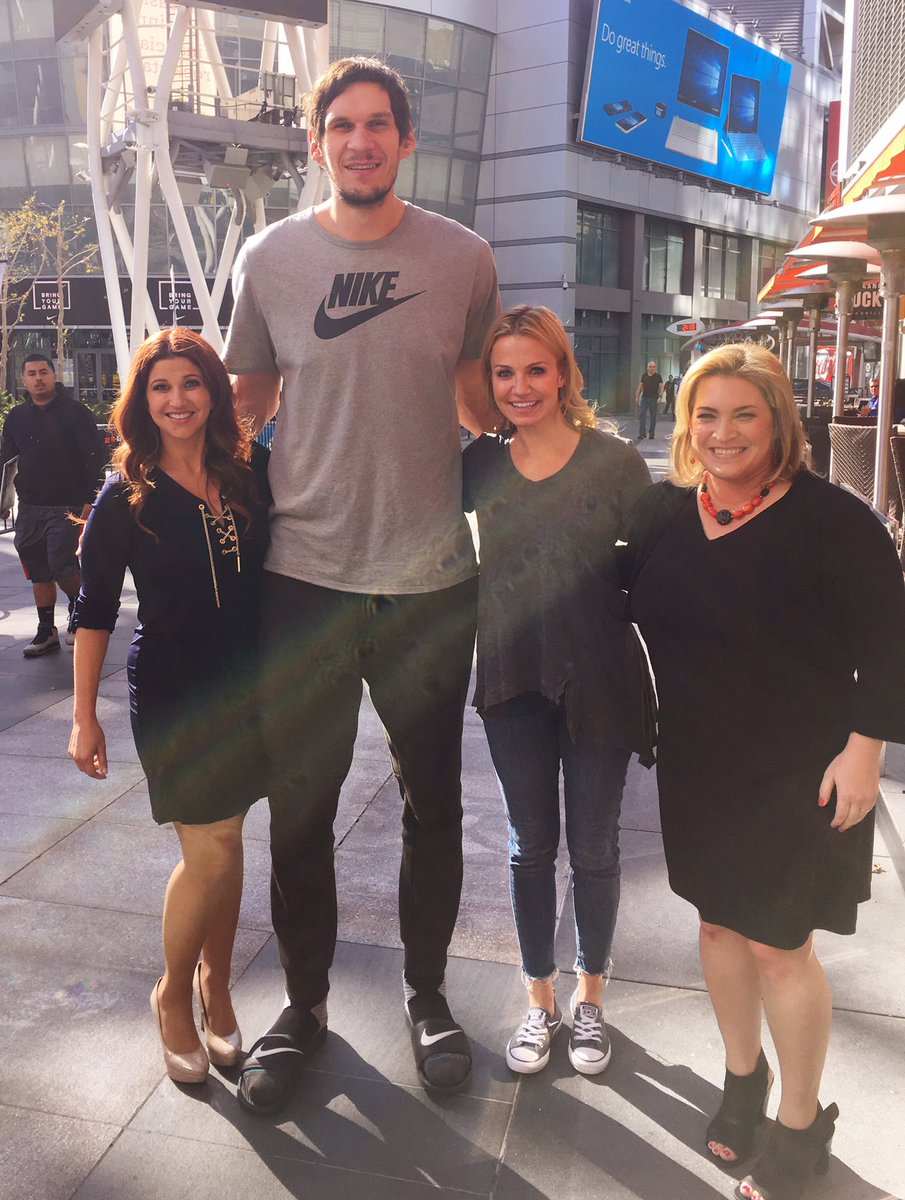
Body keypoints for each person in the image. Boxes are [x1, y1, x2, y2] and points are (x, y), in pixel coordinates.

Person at [222, 56, 500, 1114]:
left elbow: (483, 401)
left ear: (406, 141)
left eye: (379, 124)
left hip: (430, 576)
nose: (361, 141)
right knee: (298, 811)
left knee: (435, 805)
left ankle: (428, 993)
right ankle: (302, 1003)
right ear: (315, 142)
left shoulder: (463, 257)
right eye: (341, 125)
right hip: (306, 575)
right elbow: (242, 403)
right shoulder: (271, 258)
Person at [624, 343, 905, 1200]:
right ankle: (741, 1080)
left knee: (780, 947)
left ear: (779, 422)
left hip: (801, 770)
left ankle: (799, 1120)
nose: (722, 432)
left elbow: (889, 643)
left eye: (744, 413)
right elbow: (598, 596)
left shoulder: (833, 519)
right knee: (716, 929)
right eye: (705, 415)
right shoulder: (663, 513)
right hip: (699, 763)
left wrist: (867, 749)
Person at [68, 329, 271, 1085]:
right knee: (210, 846)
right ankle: (172, 994)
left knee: (229, 842)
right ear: (141, 401)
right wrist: (83, 715)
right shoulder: (126, 495)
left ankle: (217, 984)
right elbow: (92, 612)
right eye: (161, 387)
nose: (177, 399)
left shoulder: (251, 473)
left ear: (215, 393)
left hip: (252, 685)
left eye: (192, 383)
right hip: (175, 692)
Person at [463, 306, 651, 1076]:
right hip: (511, 675)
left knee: (596, 846)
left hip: (599, 678)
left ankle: (590, 999)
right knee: (528, 846)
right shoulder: (478, 464)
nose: (519, 386)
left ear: (565, 373)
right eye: (503, 372)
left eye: (535, 369)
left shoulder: (614, 463)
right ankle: (539, 1001)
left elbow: (653, 579)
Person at [0, 353, 104, 656]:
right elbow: (7, 461)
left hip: (67, 506)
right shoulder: (16, 418)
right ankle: (46, 630)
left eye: (43, 372)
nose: (38, 378)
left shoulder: (76, 413)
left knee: (62, 565)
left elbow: (96, 459)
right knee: (38, 571)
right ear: (23, 379)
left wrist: (90, 501)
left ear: (54, 374)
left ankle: (79, 610)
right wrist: (3, 501)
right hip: (29, 507)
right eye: (31, 373)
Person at [635, 360, 663, 440]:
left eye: (653, 367)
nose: (652, 368)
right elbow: (640, 387)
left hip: (654, 399)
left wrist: (660, 397)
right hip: (645, 398)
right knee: (642, 415)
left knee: (653, 416)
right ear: (648, 368)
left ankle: (651, 433)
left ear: (655, 368)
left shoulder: (658, 376)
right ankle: (642, 433)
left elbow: (661, 387)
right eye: (650, 367)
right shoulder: (644, 376)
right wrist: (637, 396)